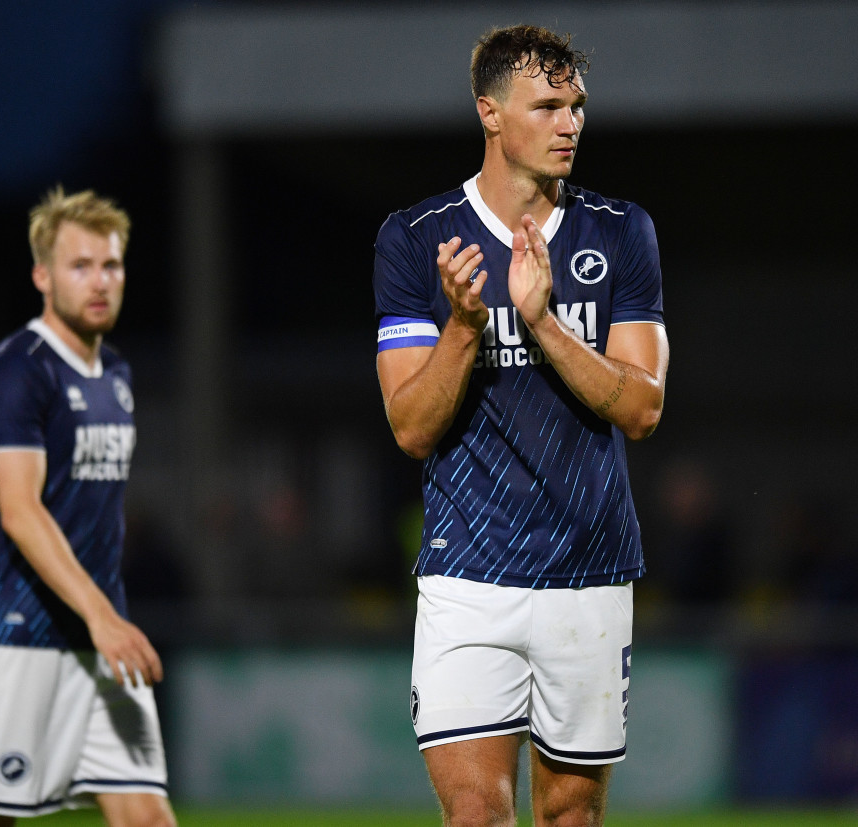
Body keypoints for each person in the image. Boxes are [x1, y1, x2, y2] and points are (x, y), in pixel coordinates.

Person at [373, 24, 669, 826]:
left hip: (591, 573)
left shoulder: (620, 230)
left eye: (577, 105)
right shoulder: (415, 239)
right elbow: (409, 427)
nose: (571, 122)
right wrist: (465, 328)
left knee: (569, 816)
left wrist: (542, 322)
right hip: (467, 574)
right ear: (491, 114)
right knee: (476, 814)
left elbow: (643, 406)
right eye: (547, 105)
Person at [0, 187, 175, 826]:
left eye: (111, 265)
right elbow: (20, 511)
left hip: (102, 643)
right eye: (80, 266)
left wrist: (103, 620)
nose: (100, 281)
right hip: (24, 637)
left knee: (147, 816)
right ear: (42, 276)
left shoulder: (115, 373)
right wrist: (100, 616)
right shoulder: (20, 370)